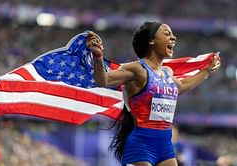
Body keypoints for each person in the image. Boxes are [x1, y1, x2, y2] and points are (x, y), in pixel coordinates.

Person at [87, 21, 221, 166]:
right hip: (141, 145)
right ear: (151, 40)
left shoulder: (167, 72)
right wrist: (98, 57)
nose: (173, 38)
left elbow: (182, 86)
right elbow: (104, 81)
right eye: (167, 33)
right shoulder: (137, 69)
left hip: (165, 147)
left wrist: (207, 71)